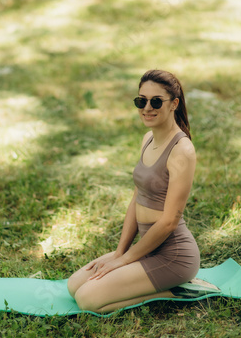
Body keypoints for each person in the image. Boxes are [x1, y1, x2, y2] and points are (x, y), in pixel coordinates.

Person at [67, 69, 200, 313]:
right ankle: (148, 279)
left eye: (156, 101)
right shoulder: (147, 139)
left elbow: (170, 221)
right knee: (74, 285)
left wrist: (126, 260)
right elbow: (137, 197)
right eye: (141, 100)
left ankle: (174, 292)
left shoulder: (182, 150)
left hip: (174, 256)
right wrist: (120, 252)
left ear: (174, 104)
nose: (147, 108)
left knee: (88, 299)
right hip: (147, 248)